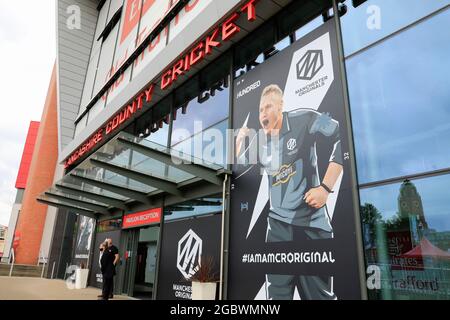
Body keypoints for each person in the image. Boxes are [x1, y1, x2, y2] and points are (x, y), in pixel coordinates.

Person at [236, 84, 343, 300]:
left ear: (281, 106)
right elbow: (239, 164)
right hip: (277, 230)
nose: (263, 113)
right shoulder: (260, 141)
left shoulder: (305, 118)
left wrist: (325, 187)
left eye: (268, 107)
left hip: (312, 227)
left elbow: (341, 133)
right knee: (276, 297)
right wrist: (239, 140)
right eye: (260, 110)